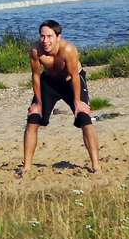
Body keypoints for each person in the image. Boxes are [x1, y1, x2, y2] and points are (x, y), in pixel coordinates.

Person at [20, 20, 102, 176]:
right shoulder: (36, 50)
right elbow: (36, 76)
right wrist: (37, 102)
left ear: (58, 37)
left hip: (71, 82)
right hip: (49, 82)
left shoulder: (68, 50)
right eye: (42, 36)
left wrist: (78, 102)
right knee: (33, 118)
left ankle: (96, 166)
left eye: (49, 36)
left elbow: (75, 76)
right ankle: (27, 167)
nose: (45, 41)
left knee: (84, 118)